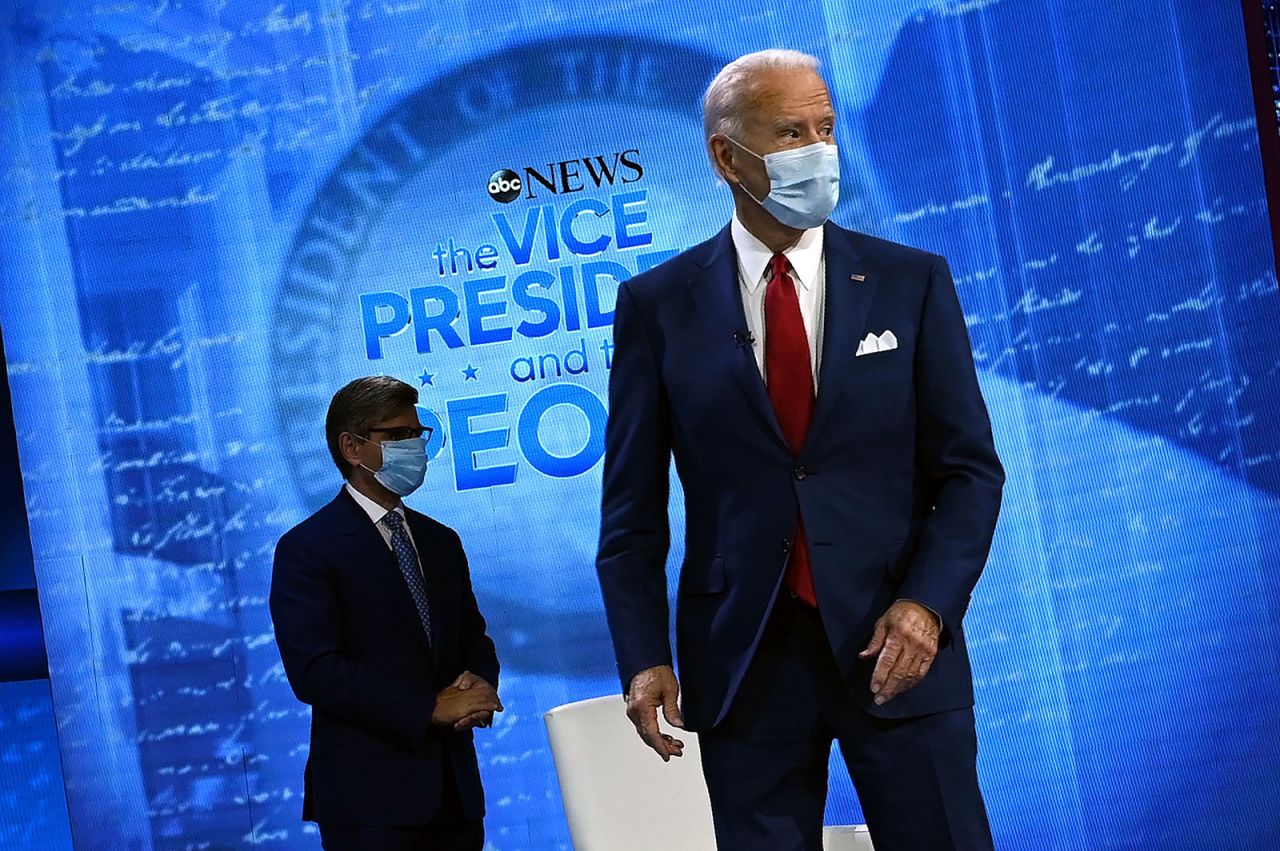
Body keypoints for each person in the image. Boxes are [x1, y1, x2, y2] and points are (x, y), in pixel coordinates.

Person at [597, 49, 1004, 850]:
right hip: (746, 662)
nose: (819, 150)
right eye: (790, 132)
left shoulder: (910, 282)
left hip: (897, 645)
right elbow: (631, 514)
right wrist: (644, 656)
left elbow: (969, 472)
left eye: (826, 127)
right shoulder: (657, 307)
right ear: (726, 156)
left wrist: (926, 605)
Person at [271, 376, 502, 851]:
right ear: (352, 448)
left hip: (455, 796)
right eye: (396, 436)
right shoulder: (306, 549)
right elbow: (315, 671)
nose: (412, 446)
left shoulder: (441, 541)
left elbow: (473, 638)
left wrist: (480, 682)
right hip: (368, 802)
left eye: (418, 434)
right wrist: (427, 710)